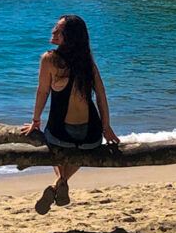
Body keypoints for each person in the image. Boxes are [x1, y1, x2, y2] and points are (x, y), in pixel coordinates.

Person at [22, 14, 119, 214]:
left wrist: (35, 121)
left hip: (60, 135)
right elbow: (101, 96)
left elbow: (42, 92)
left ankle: (59, 182)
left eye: (59, 30)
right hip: (90, 135)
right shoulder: (87, 63)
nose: (53, 31)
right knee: (81, 154)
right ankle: (61, 183)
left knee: (56, 149)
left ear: (70, 36)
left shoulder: (49, 59)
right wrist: (106, 127)